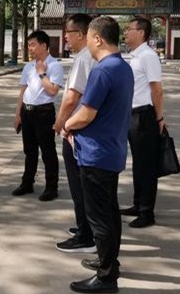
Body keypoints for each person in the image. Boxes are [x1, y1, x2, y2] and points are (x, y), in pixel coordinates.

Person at [63, 16, 133, 293]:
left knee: (99, 218)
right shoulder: (123, 67)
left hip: (96, 154)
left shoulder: (103, 70)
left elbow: (86, 113)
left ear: (97, 39)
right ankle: (109, 263)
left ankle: (106, 277)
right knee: (110, 213)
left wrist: (67, 125)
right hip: (111, 150)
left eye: (90, 39)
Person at [52, 14, 97, 253]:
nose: (65, 38)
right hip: (85, 128)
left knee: (78, 185)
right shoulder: (91, 57)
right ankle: (85, 226)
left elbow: (71, 98)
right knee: (82, 184)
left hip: (76, 129)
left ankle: (85, 235)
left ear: (80, 34)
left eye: (68, 33)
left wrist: (60, 123)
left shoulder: (83, 59)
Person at [122, 17, 165, 228]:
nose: (125, 32)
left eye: (129, 29)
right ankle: (138, 204)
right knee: (138, 163)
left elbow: (156, 89)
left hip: (144, 115)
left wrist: (159, 117)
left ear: (141, 32)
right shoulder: (135, 56)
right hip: (132, 115)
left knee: (146, 165)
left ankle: (147, 212)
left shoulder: (148, 56)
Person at [12, 30, 64, 201]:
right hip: (27, 112)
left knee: (47, 151)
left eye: (33, 45)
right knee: (29, 150)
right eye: (29, 45)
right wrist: (18, 114)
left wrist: (42, 73)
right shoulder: (28, 66)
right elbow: (23, 90)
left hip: (44, 113)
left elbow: (53, 91)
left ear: (43, 45)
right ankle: (27, 183)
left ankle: (51, 187)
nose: (30, 48)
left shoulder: (54, 66)